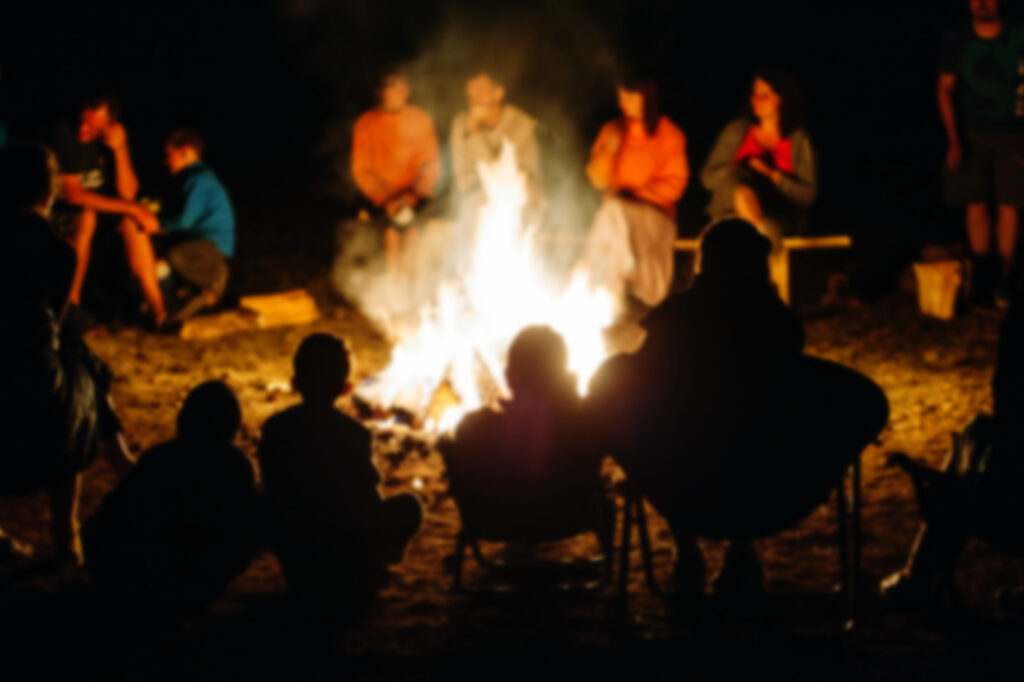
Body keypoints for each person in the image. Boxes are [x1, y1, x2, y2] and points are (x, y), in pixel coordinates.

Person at [586, 219, 887, 597]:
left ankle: (687, 553)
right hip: (772, 496)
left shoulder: (672, 327)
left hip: (681, 489)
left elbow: (608, 401)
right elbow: (865, 407)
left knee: (670, 430)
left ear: (701, 266)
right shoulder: (778, 334)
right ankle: (741, 553)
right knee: (749, 434)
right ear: (758, 269)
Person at [0, 142, 134, 565]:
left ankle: (123, 468)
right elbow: (52, 325)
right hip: (30, 378)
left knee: (76, 364)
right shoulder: (58, 252)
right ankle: (66, 534)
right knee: (78, 384)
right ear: (49, 192)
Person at [881, 289, 1024, 610]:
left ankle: (920, 575)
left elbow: (1008, 402)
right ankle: (919, 574)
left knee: (977, 442)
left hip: (1011, 513)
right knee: (981, 430)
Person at [257, 333, 422, 610]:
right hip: (345, 552)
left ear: (294, 383)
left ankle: (311, 577)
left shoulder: (275, 428)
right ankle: (370, 569)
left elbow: (271, 487)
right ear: (346, 388)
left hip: (297, 551)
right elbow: (368, 499)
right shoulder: (354, 433)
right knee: (410, 506)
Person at [81, 381, 256, 620]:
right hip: (203, 579)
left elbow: (112, 516)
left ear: (184, 419)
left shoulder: (158, 458)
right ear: (232, 425)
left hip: (143, 577)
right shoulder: (238, 466)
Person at [440, 326, 613, 548]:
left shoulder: (474, 429)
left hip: (498, 523)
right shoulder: (587, 425)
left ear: (509, 377)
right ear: (564, 373)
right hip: (571, 518)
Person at [49, 95, 166, 325]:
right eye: (82, 121)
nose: (83, 129)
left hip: (98, 210)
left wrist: (120, 150)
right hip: (61, 211)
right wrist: (134, 208)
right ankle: (71, 308)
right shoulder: (63, 133)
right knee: (87, 216)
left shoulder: (114, 140)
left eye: (93, 126)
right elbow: (73, 194)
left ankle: (158, 309)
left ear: (109, 125)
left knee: (132, 222)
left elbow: (128, 191)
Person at [580, 75, 688, 320]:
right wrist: (609, 152)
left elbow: (675, 184)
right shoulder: (613, 130)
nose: (623, 102)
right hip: (615, 219)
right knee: (612, 216)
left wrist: (635, 196)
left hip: (656, 218)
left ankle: (612, 301)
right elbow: (597, 180)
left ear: (646, 97)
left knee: (613, 212)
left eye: (629, 96)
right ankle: (602, 303)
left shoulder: (669, 135)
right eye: (620, 95)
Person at [700, 68, 817, 294]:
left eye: (764, 94)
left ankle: (746, 296)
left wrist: (772, 174)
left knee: (742, 237)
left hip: (776, 214)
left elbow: (808, 195)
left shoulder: (797, 139)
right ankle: (747, 292)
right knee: (737, 190)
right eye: (754, 94)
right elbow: (708, 178)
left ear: (782, 98)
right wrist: (735, 169)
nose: (756, 100)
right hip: (730, 209)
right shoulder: (738, 131)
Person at [939, 0, 1024, 307]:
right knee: (975, 202)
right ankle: (983, 274)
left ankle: (1005, 276)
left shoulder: (1017, 34)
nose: (983, 3)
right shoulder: (957, 37)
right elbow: (945, 88)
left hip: (1015, 132)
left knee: (1010, 203)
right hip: (972, 130)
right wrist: (954, 140)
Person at [351, 72, 441, 273]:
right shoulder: (367, 123)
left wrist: (414, 194)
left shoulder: (421, 119)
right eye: (390, 87)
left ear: (406, 91)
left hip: (414, 194)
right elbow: (362, 170)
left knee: (413, 229)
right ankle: (393, 286)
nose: (395, 93)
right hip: (381, 196)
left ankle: (409, 285)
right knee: (391, 231)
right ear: (381, 92)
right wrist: (386, 198)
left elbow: (430, 163)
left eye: (400, 87)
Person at [155, 129, 236, 321]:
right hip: (204, 242)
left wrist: (156, 222)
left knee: (175, 254)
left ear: (186, 152)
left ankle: (212, 281)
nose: (166, 161)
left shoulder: (198, 179)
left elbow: (185, 221)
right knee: (161, 260)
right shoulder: (196, 176)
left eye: (169, 155)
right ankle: (186, 299)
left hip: (212, 245)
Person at [450, 68, 542, 218]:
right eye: (470, 90)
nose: (473, 97)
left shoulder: (520, 123)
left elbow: (509, 180)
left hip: (518, 204)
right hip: (476, 204)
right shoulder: (461, 124)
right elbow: (464, 180)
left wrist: (473, 135)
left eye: (479, 90)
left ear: (498, 93)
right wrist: (472, 131)